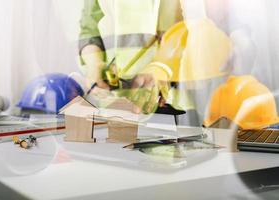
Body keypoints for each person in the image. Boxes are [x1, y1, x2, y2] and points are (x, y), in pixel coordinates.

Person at [78, 0, 233, 125]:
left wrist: (162, 68)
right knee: (120, 157)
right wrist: (94, 66)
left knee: (184, 159)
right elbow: (89, 29)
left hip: (176, 97)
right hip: (118, 99)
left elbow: (206, 24)